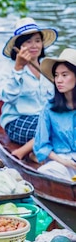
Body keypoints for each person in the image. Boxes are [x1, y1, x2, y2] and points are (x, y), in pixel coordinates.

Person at [0, 17, 57, 160]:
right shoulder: (8, 68)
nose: (34, 46)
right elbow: (7, 97)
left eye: (37, 41)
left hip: (45, 118)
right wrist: (18, 68)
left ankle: (35, 152)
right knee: (57, 127)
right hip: (18, 121)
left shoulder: (48, 65)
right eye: (28, 42)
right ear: (19, 47)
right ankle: (26, 152)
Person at [33, 48, 76, 180]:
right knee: (46, 173)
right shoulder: (49, 108)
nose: (58, 80)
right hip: (62, 162)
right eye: (56, 75)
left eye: (64, 75)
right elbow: (41, 146)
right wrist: (65, 162)